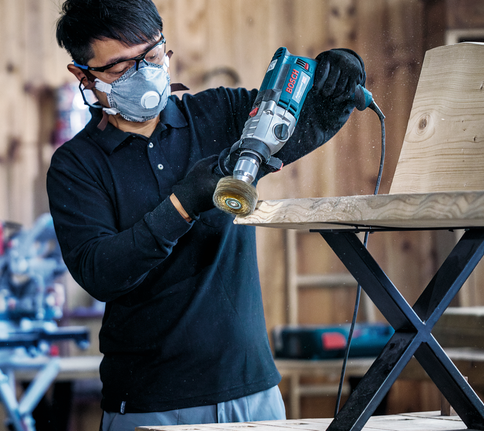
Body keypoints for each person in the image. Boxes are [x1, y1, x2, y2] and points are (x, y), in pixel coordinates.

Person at [47, 1, 366, 430]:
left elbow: (300, 125)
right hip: (149, 402)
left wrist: (340, 82)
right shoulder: (77, 165)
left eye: (152, 56)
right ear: (83, 75)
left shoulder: (223, 114)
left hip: (251, 391)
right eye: (121, 67)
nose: (142, 74)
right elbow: (101, 272)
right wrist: (183, 204)